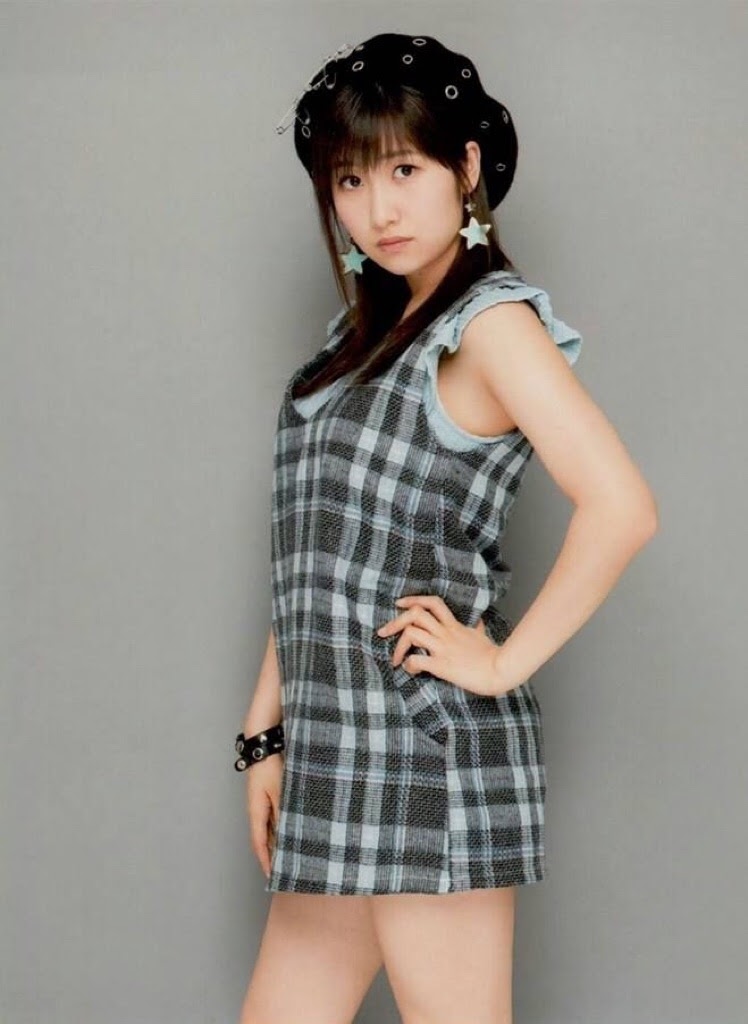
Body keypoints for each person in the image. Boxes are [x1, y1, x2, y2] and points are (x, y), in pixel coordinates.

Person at [234, 32, 658, 1024]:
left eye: (404, 170)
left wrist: (500, 663)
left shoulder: (489, 325)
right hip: (336, 748)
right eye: (349, 180)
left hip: (426, 748)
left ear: (465, 168)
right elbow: (315, 559)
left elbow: (622, 507)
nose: (376, 209)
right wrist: (265, 730)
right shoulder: (355, 341)